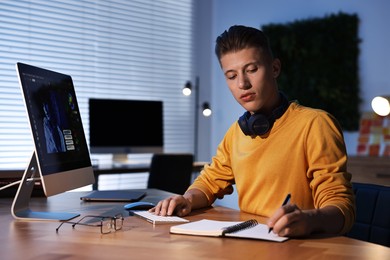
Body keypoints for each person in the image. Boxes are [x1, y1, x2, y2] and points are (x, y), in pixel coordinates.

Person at [151, 25, 355, 237]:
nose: (242, 83)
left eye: (251, 70)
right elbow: (209, 181)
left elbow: (341, 208)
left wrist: (309, 219)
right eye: (231, 75)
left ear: (275, 68)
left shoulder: (315, 124)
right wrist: (187, 199)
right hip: (249, 243)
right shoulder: (236, 133)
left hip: (301, 247)